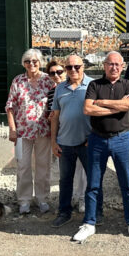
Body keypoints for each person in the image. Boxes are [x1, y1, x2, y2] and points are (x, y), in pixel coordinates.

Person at [73, 51, 129, 243]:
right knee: (93, 184)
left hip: (122, 139)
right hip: (97, 140)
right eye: (110, 64)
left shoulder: (128, 84)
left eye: (117, 64)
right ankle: (89, 223)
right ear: (104, 66)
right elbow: (88, 109)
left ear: (122, 67)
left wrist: (102, 103)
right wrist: (117, 106)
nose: (114, 67)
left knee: (127, 183)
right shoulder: (94, 85)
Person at [6, 49, 55, 215]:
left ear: (40, 62)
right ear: (23, 63)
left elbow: (56, 103)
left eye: (35, 61)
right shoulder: (18, 81)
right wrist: (12, 129)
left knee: (43, 165)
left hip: (44, 131)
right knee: (23, 165)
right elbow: (10, 106)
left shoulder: (48, 80)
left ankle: (42, 198)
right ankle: (24, 199)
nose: (31, 64)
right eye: (27, 61)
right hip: (22, 132)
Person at [50, 54, 92, 227]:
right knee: (65, 180)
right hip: (65, 142)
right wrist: (53, 141)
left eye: (77, 66)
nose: (73, 70)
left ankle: (94, 213)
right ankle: (64, 212)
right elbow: (55, 116)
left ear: (83, 66)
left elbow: (99, 114)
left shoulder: (93, 85)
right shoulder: (60, 88)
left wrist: (94, 136)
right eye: (69, 67)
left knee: (93, 179)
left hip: (87, 142)